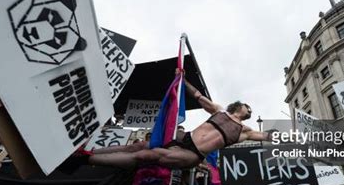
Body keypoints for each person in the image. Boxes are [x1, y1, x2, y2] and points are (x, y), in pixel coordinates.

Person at [88, 69, 274, 169]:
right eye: (247, 107)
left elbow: (266, 136)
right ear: (238, 106)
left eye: (251, 111)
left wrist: (293, 136)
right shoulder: (220, 111)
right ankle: (90, 153)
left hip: (193, 155)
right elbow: (199, 96)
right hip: (184, 139)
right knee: (136, 146)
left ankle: (89, 161)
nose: (249, 110)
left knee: (145, 155)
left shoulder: (245, 130)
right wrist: (182, 80)